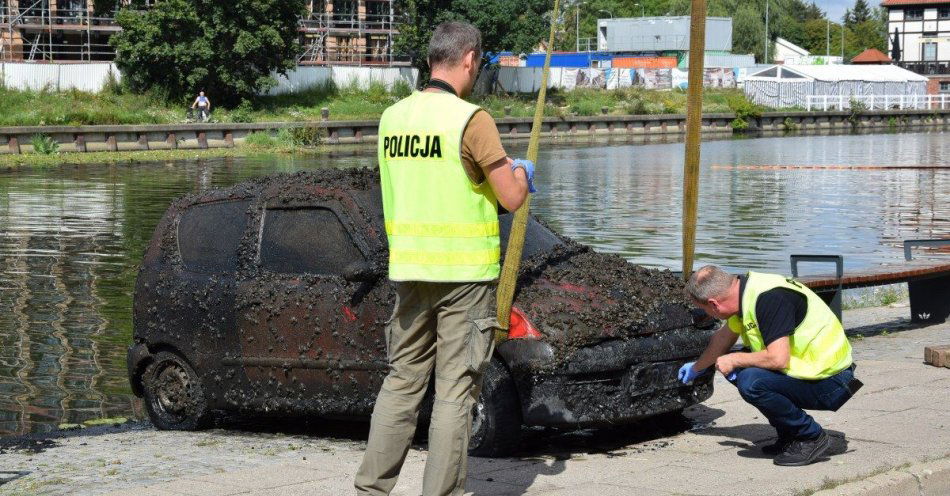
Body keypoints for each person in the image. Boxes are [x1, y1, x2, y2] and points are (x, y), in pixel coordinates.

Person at [354, 21, 533, 496]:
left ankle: (371, 489)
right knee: (455, 392)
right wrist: (520, 170)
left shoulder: (393, 118)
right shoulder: (472, 119)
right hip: (464, 275)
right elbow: (511, 198)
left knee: (401, 383)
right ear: (470, 59)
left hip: (410, 271)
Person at [679, 265, 861, 467]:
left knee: (750, 380)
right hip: (814, 373)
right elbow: (722, 339)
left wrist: (734, 360)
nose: (709, 315)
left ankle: (809, 436)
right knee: (738, 367)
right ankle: (790, 434)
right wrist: (697, 367)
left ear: (714, 304)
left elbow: (778, 359)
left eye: (706, 310)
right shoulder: (744, 293)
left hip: (833, 382)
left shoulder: (769, 299)